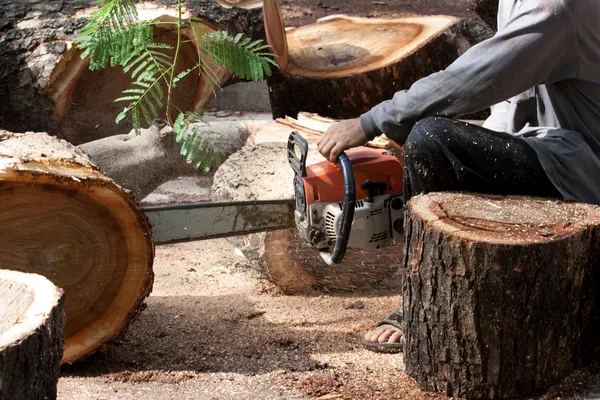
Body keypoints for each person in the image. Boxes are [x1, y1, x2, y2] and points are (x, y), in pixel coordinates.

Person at [317, 0, 600, 353]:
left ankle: (423, 308)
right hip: (558, 149)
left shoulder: (559, 8)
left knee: (433, 140)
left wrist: (373, 121)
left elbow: (478, 77)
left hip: (585, 168)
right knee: (441, 142)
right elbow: (510, 99)